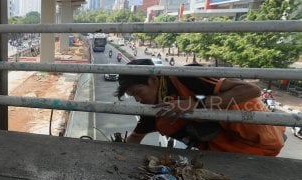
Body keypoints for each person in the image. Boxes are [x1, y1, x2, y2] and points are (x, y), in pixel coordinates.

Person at [114, 59, 285, 156]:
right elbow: (135, 138)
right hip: (229, 152)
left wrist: (197, 105)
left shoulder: (186, 76)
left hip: (261, 139)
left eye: (138, 92)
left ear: (153, 80)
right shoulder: (156, 109)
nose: (138, 100)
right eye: (133, 96)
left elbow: (251, 89)